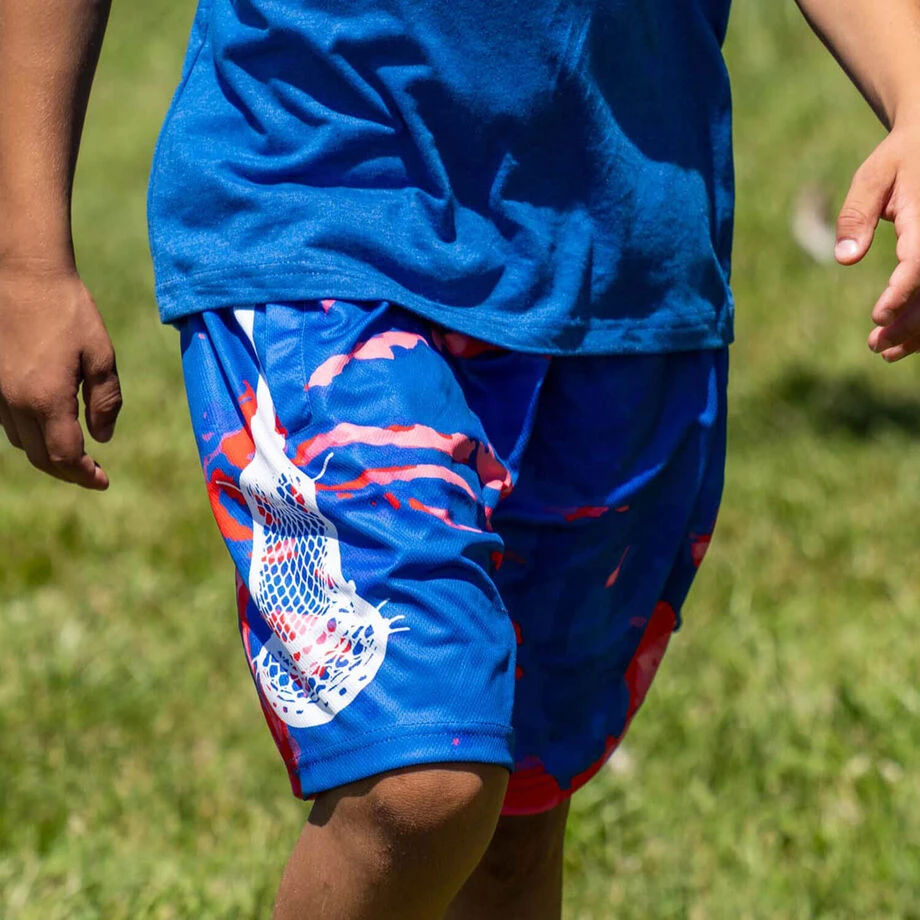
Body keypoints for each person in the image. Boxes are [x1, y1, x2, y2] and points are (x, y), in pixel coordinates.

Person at [1, 2, 919, 917]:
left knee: (517, 817)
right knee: (425, 778)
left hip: (623, 251)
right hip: (321, 192)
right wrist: (27, 257)